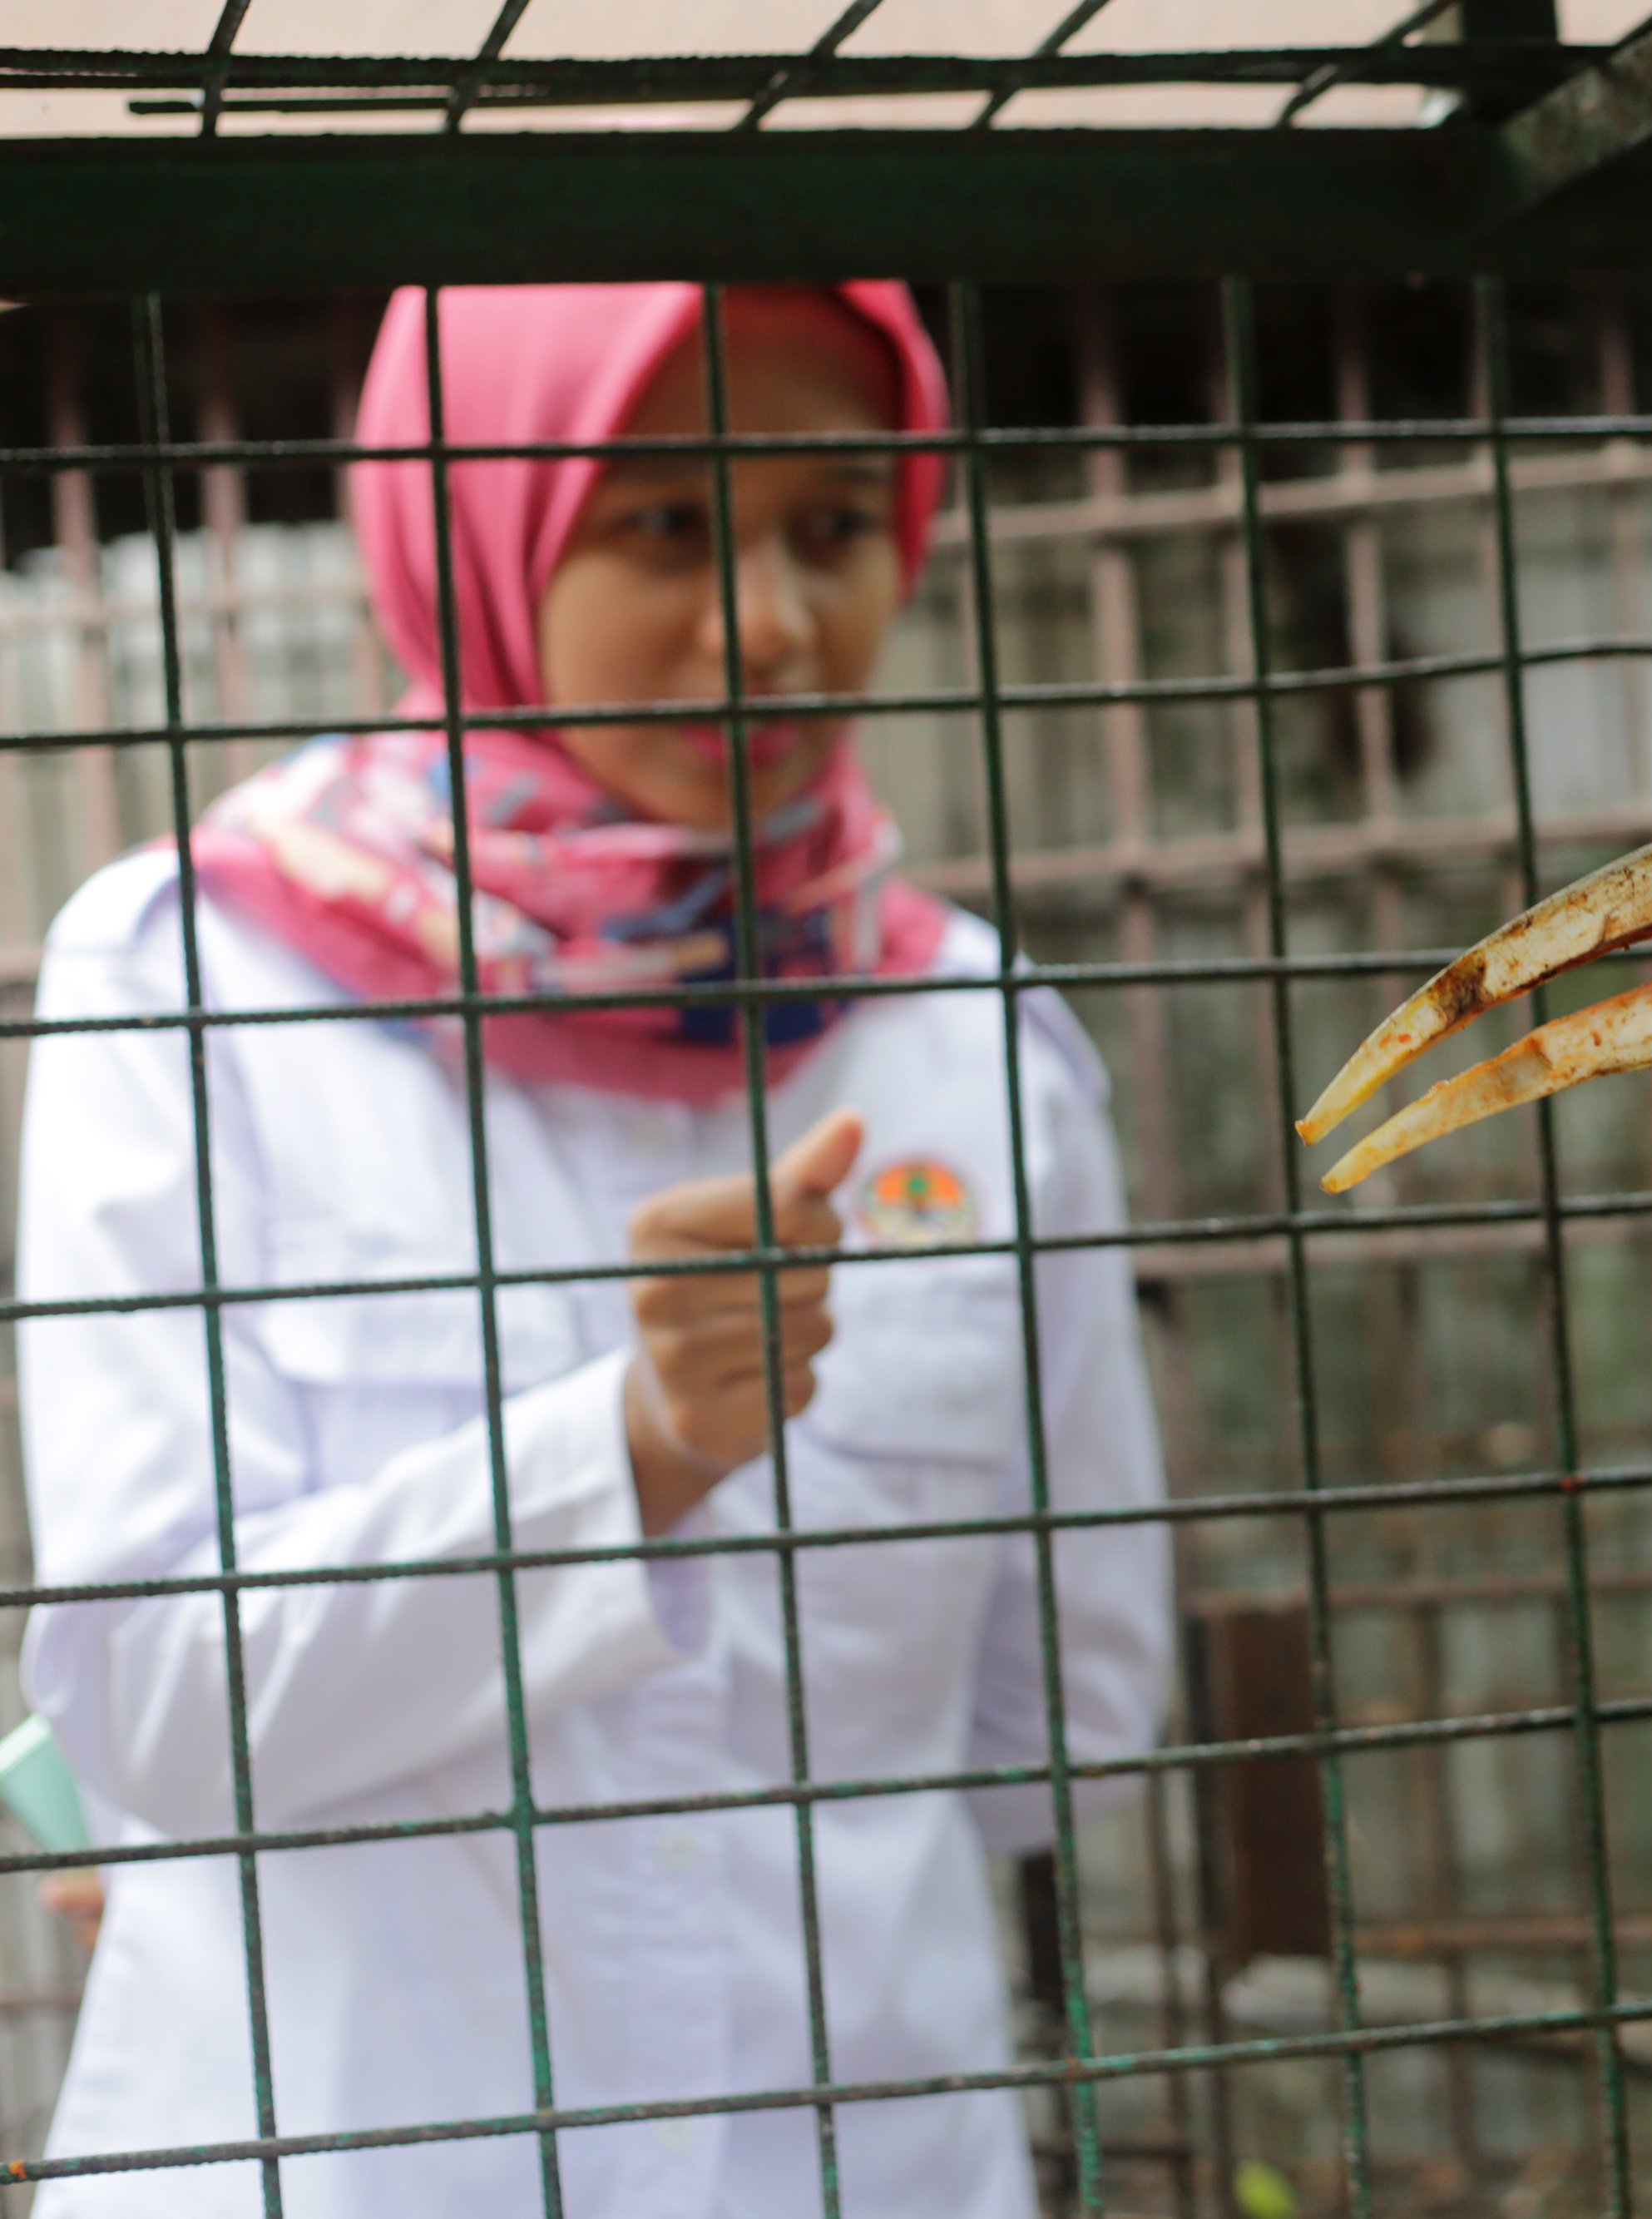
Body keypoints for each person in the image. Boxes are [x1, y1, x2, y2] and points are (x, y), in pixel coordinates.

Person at [12, 282, 1175, 2217]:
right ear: (475, 533)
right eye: (666, 524)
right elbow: (139, 1697)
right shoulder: (195, 982)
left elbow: (1068, 1724)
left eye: (833, 523)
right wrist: (617, 1459)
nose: (774, 623)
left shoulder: (982, 1044)